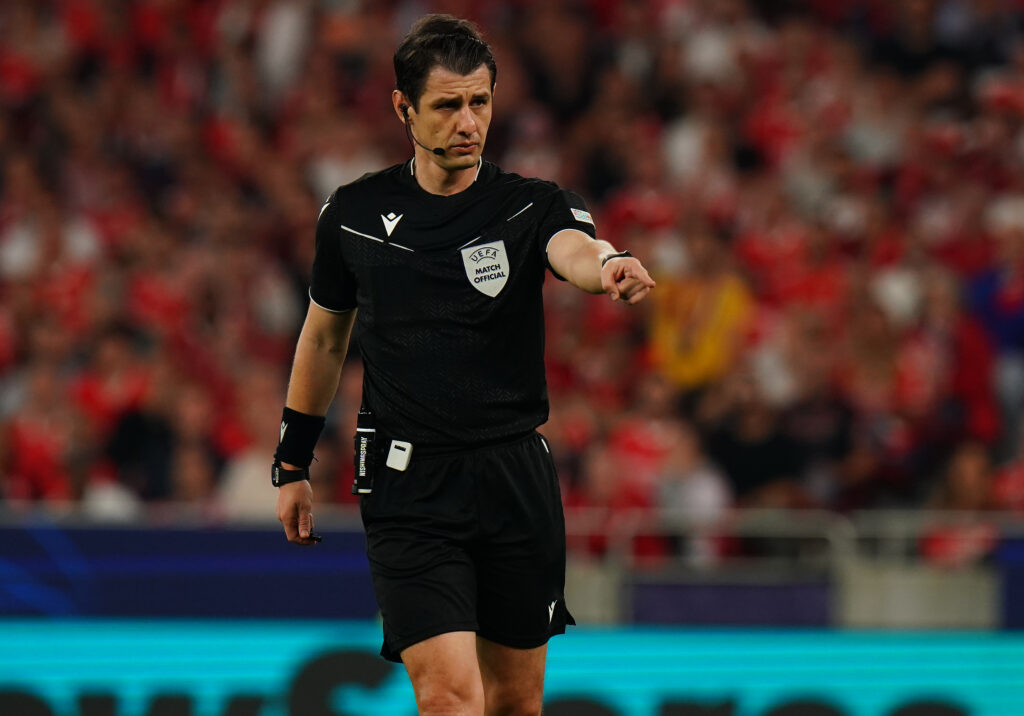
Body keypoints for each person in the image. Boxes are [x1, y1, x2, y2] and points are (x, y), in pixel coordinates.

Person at [272, 15, 654, 716]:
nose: (468, 122)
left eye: (479, 102)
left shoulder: (531, 205)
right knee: (448, 696)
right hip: (406, 482)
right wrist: (293, 463)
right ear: (403, 107)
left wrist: (611, 265)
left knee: (513, 702)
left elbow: (578, 249)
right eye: (448, 105)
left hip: (513, 478)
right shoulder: (353, 216)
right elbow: (324, 340)